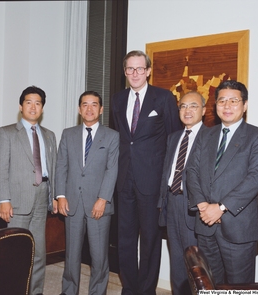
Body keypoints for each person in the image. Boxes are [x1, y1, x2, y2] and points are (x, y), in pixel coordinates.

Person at [186, 80, 258, 284]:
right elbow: (192, 171)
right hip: (206, 224)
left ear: (245, 105)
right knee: (210, 283)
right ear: (215, 106)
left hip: (238, 228)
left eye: (234, 100)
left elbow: (254, 179)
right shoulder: (205, 134)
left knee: (238, 287)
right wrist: (203, 205)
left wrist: (221, 208)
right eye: (222, 101)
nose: (227, 106)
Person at [112, 50, 182, 295]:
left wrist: (168, 183)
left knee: (151, 240)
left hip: (152, 182)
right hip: (124, 180)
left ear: (148, 71)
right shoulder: (118, 99)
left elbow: (174, 140)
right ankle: (129, 288)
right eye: (130, 69)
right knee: (126, 240)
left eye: (140, 68)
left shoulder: (163, 98)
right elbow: (122, 140)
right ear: (125, 72)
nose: (135, 73)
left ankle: (146, 290)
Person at [0, 85, 57, 295]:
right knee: (14, 252)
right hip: (17, 201)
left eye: (37, 103)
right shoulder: (7, 132)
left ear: (42, 108)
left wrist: (55, 196)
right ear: (21, 106)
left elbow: (53, 168)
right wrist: (4, 199)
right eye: (29, 102)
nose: (33, 106)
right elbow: (0, 168)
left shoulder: (49, 135)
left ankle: (35, 292)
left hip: (41, 198)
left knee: (38, 253)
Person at [55, 91, 119, 295]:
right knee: (71, 254)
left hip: (98, 204)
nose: (89, 108)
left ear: (101, 109)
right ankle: (69, 290)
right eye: (85, 104)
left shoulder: (112, 136)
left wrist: (103, 199)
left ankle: (97, 292)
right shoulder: (68, 134)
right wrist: (61, 195)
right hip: (71, 202)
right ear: (79, 109)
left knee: (99, 256)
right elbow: (61, 166)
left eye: (94, 105)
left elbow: (112, 169)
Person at [158, 91, 207, 294]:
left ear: (203, 110)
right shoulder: (174, 137)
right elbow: (166, 172)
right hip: (172, 204)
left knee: (196, 266)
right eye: (183, 106)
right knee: (177, 262)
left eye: (193, 106)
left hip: (194, 208)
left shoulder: (210, 137)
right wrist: (163, 202)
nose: (187, 111)